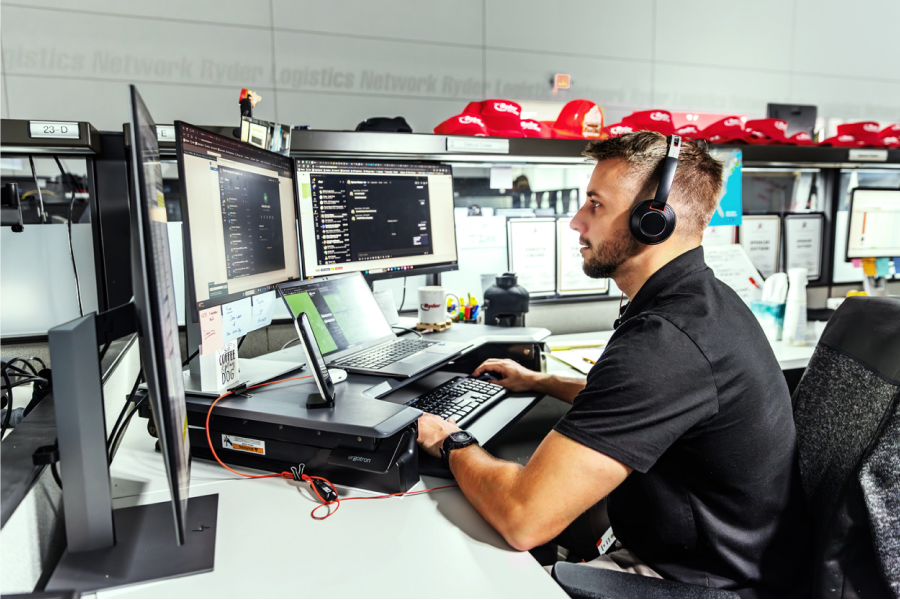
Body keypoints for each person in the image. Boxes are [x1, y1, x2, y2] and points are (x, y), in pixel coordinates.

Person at [416, 132, 807, 597]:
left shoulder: (668, 342)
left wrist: (450, 440)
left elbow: (524, 518)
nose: (576, 222)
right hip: (709, 552)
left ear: (653, 220)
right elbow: (639, 410)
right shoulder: (699, 300)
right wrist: (540, 381)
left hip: (697, 581)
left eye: (595, 205)